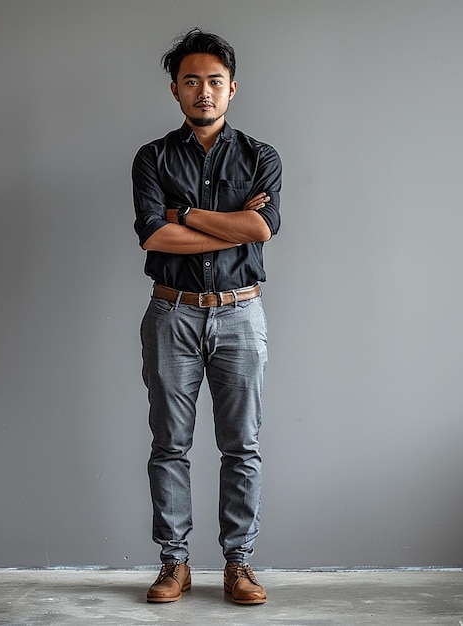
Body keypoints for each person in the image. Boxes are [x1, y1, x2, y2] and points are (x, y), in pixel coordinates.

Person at [132, 28, 282, 605]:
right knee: (169, 444)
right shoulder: (153, 156)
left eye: (214, 81)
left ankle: (238, 565)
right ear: (175, 90)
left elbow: (261, 230)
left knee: (241, 446)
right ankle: (174, 562)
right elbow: (153, 235)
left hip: (242, 315)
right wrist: (227, 225)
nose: (204, 91)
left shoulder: (260, 157)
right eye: (191, 81)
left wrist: (187, 215)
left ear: (232, 88)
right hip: (171, 313)